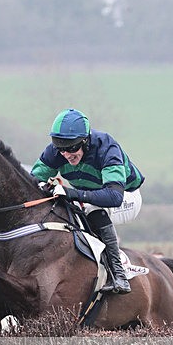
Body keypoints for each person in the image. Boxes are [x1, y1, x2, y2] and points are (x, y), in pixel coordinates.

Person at [31, 108, 145, 294]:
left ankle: (119, 276)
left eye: (72, 148)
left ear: (85, 141)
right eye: (61, 150)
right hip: (91, 196)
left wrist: (71, 193)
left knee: (93, 208)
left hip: (127, 197)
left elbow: (114, 197)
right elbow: (32, 181)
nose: (67, 155)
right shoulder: (56, 152)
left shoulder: (107, 148)